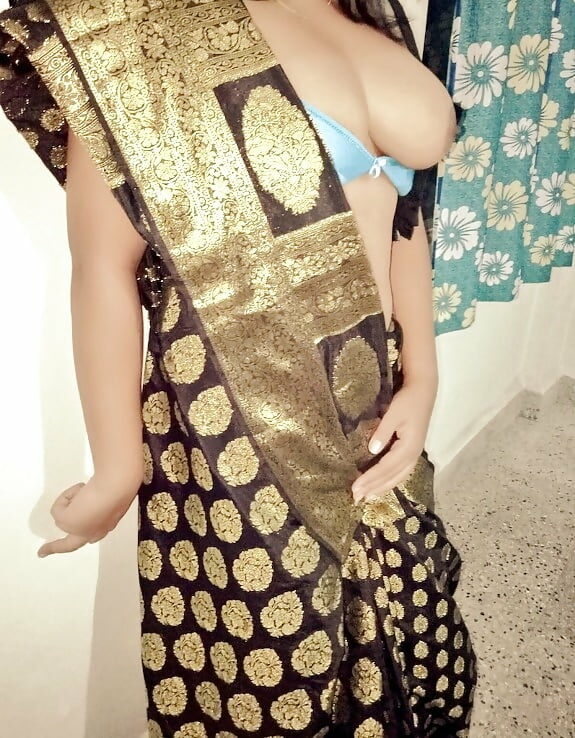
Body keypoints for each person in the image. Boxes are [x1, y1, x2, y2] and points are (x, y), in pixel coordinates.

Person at [0, 0, 478, 735]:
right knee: (273, 661)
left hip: (374, 399)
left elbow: (406, 211)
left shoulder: (373, 16)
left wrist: (424, 375)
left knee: (400, 625)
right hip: (240, 419)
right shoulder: (137, 27)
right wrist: (116, 470)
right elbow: (103, 270)